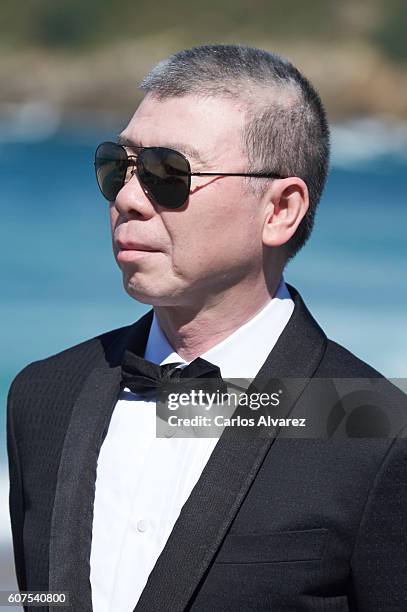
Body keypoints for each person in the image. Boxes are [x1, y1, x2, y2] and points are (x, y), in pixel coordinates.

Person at [7, 44, 407, 612]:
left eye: (166, 172)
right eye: (115, 168)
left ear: (280, 210)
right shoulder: (43, 397)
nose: (126, 199)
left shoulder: (377, 431)